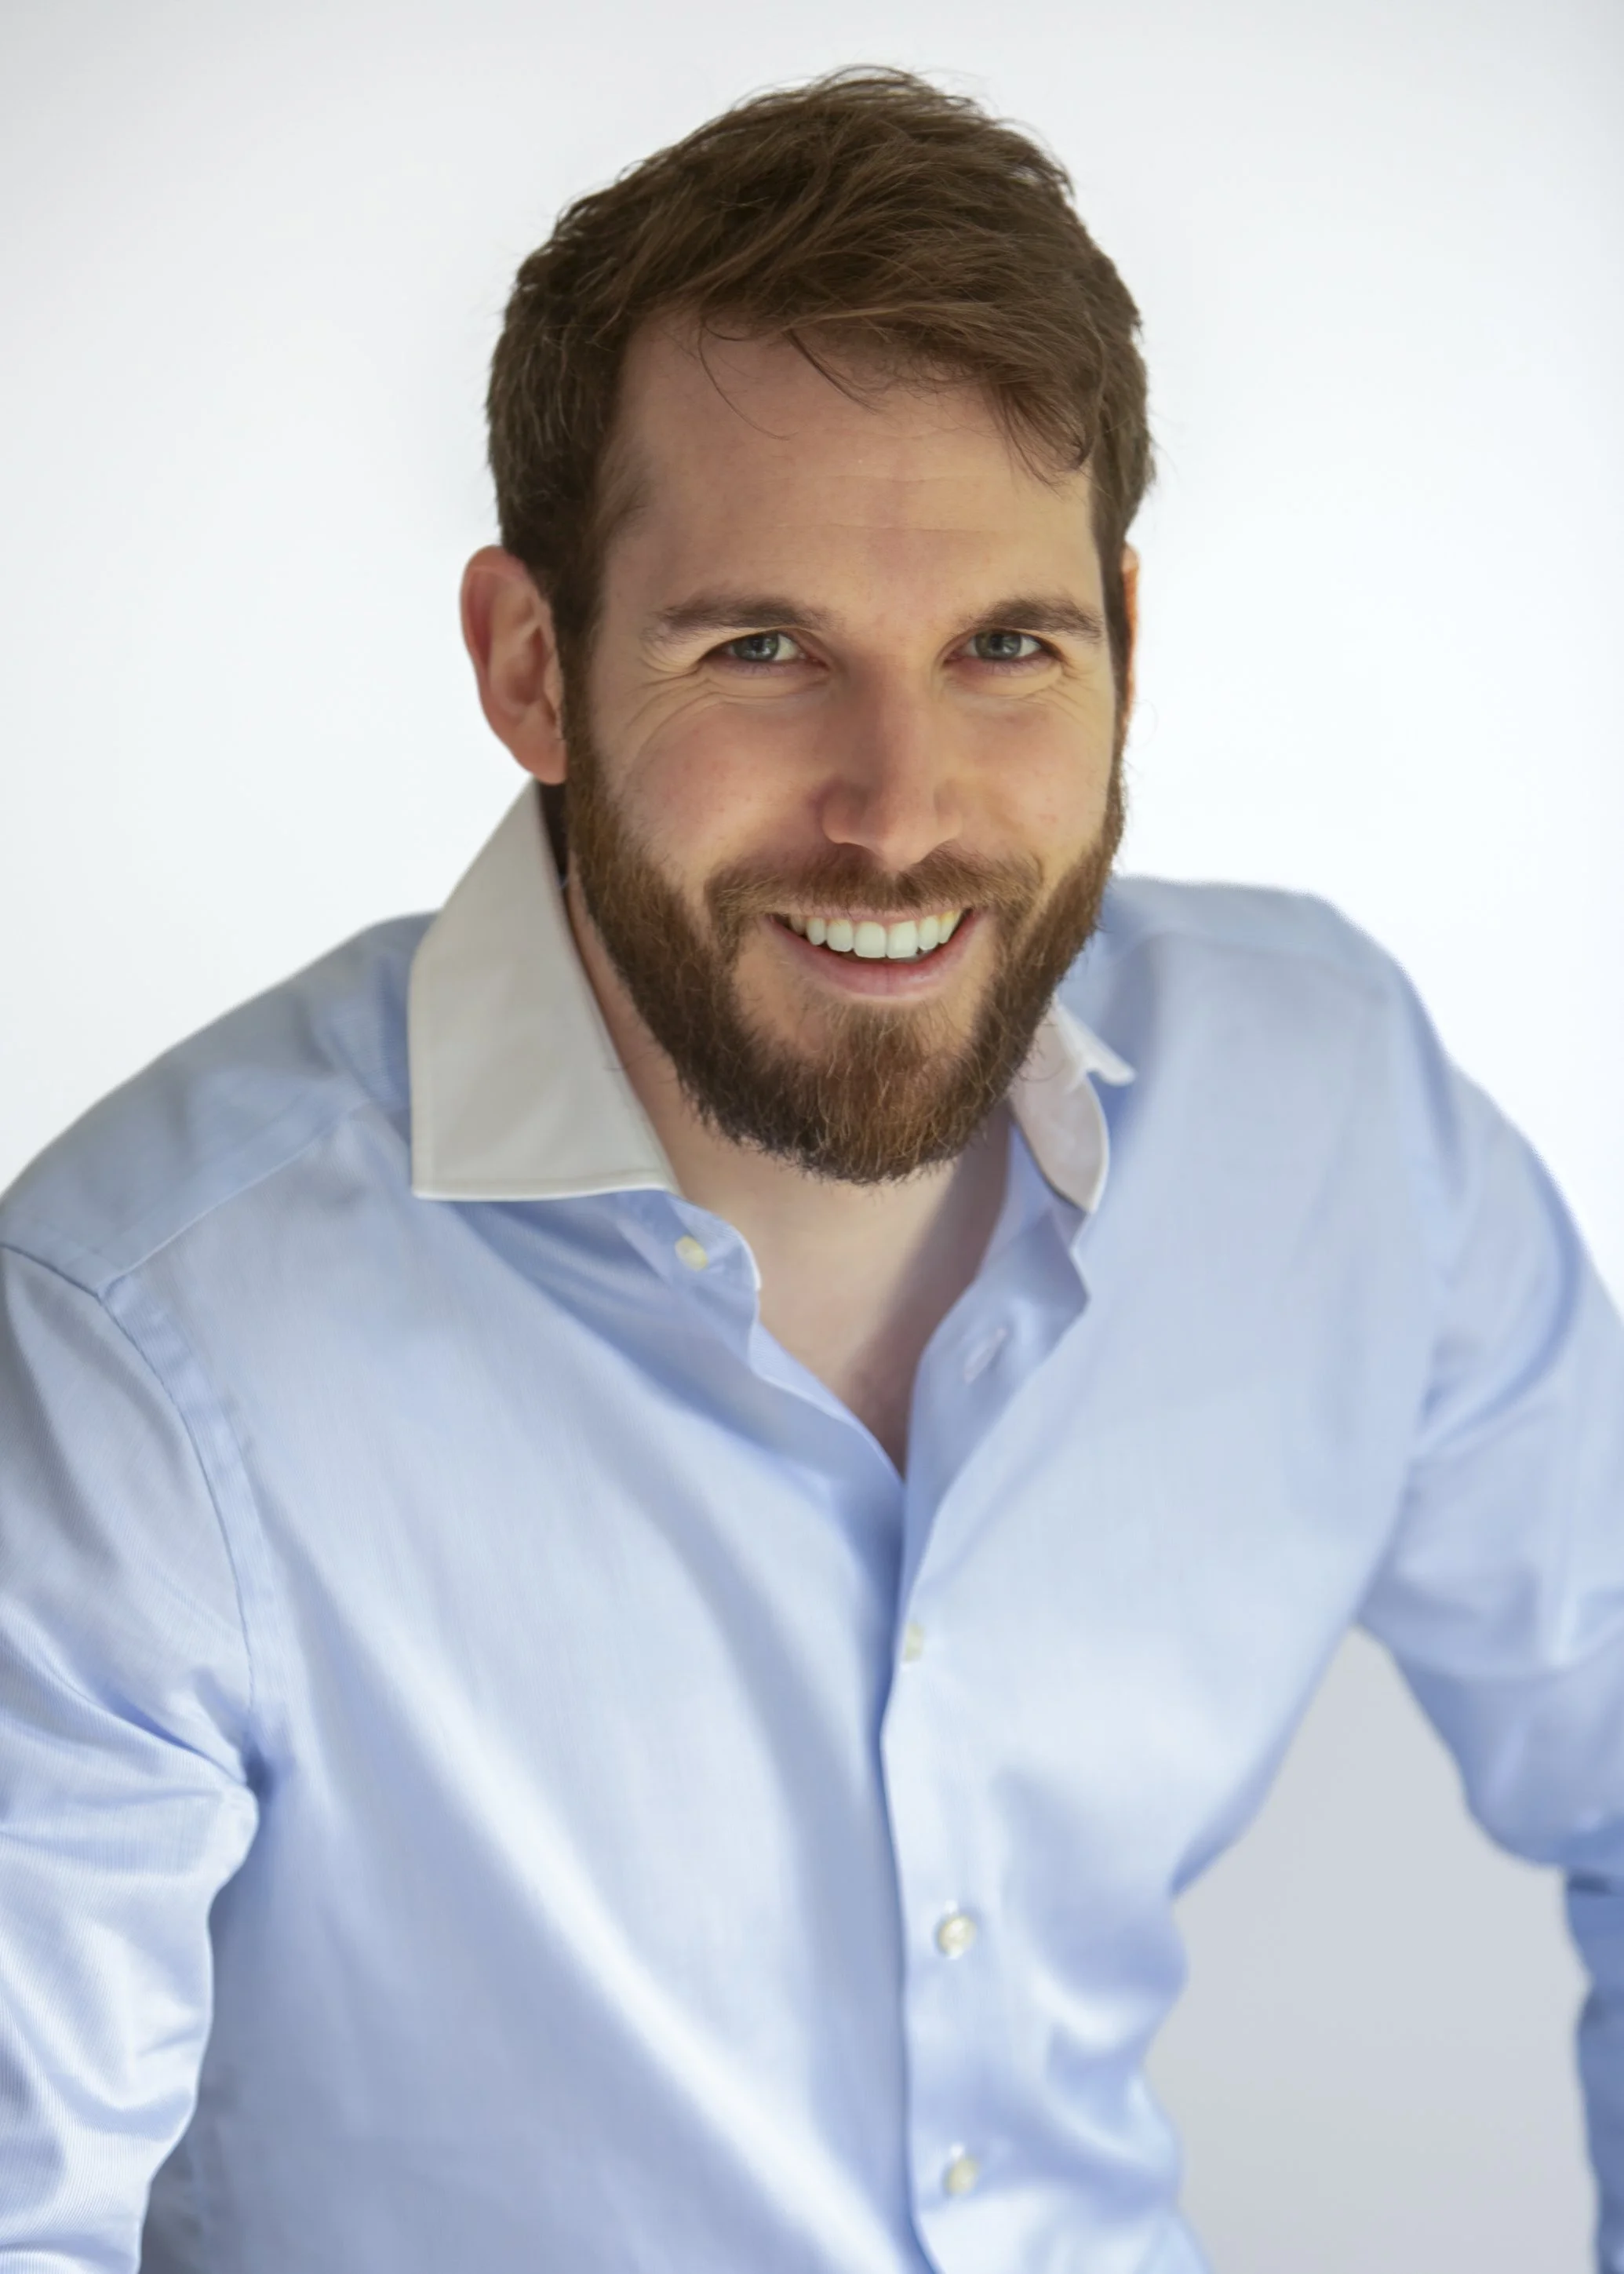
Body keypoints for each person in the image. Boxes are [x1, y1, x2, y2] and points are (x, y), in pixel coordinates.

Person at [1, 64, 1620, 2274]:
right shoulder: (136, 1353)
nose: (897, 811)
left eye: (1004, 650)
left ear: (1125, 650)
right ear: (529, 664)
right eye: (760, 651)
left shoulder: (1334, 1112)